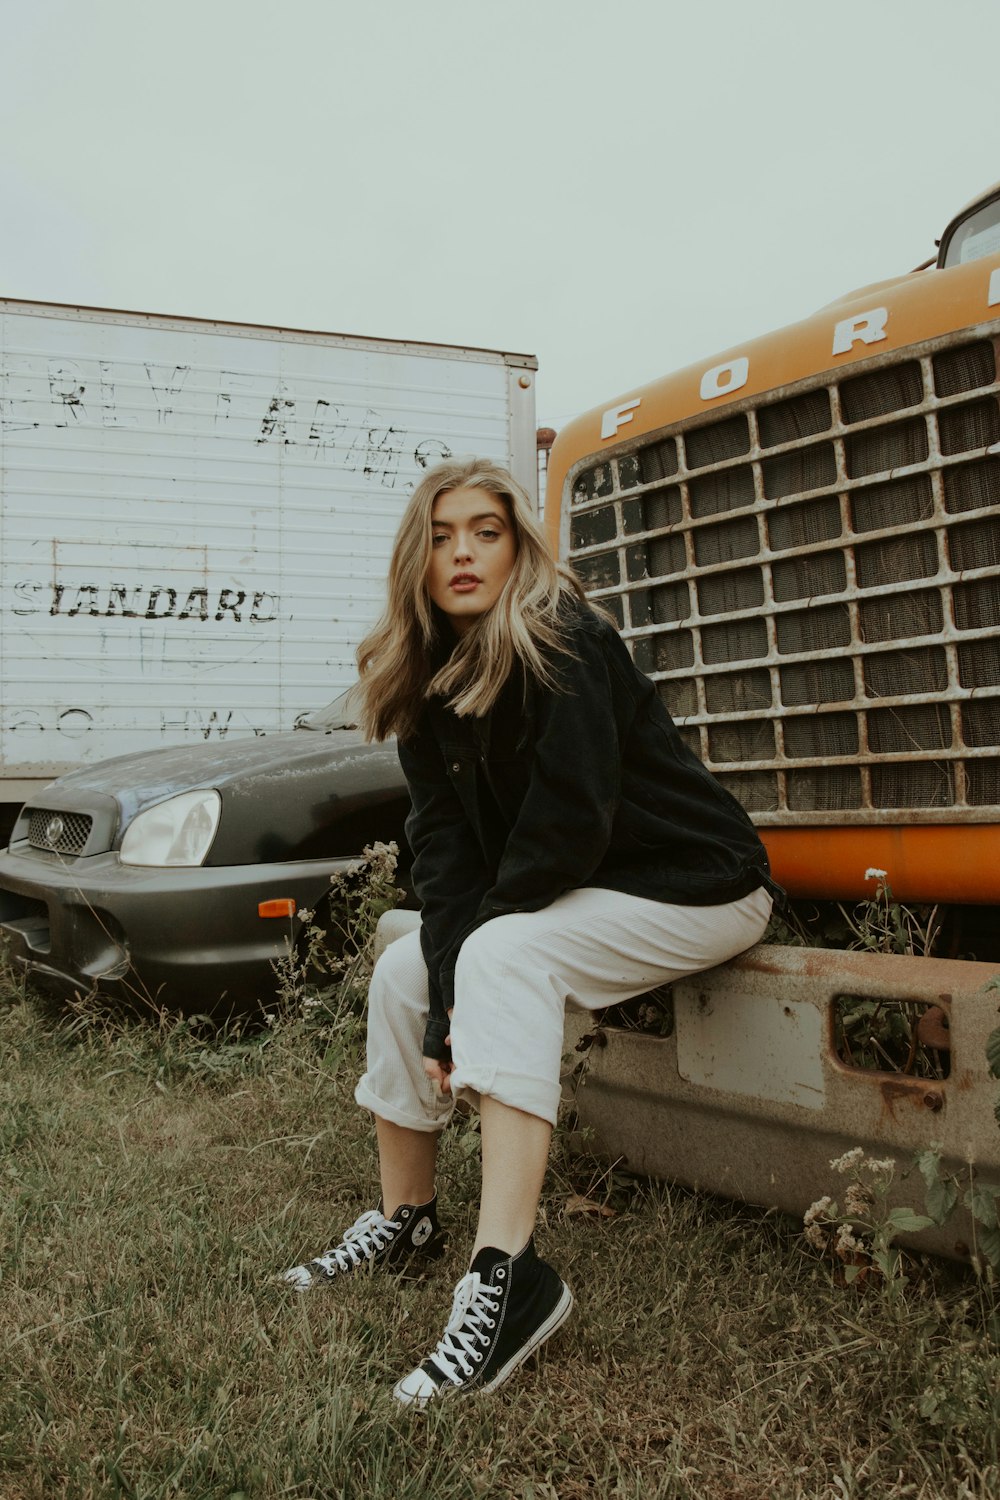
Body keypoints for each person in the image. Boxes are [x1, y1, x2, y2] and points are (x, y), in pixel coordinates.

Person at [282, 457, 779, 1406]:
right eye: (440, 536)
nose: (463, 552)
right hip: (587, 892)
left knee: (497, 950)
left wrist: (473, 984)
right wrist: (441, 1013)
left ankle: (510, 1278)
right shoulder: (427, 683)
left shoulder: (567, 640)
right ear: (414, 561)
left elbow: (567, 824)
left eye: (486, 531)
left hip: (698, 885)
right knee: (402, 972)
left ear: (517, 547)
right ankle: (407, 1216)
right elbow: (445, 860)